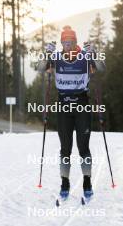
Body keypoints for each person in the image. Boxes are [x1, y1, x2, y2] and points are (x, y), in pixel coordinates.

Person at [38, 26, 105, 199]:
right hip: (63, 106)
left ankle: (87, 181)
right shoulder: (57, 58)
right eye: (64, 42)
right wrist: (46, 54)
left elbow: (101, 68)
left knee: (83, 147)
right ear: (61, 43)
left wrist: (94, 54)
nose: (67, 45)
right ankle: (65, 183)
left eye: (70, 42)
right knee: (65, 149)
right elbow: (40, 68)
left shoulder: (85, 57)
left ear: (75, 42)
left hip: (82, 103)